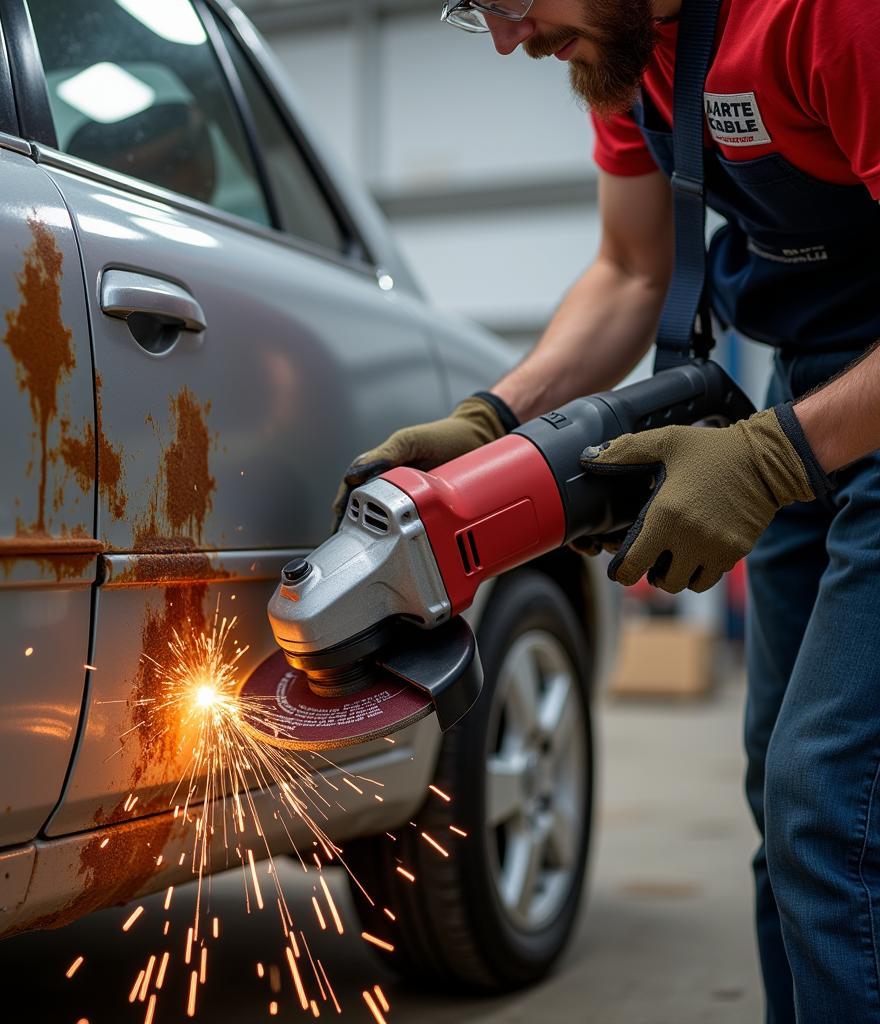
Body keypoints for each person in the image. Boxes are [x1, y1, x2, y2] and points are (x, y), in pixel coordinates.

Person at [335, 1, 880, 1020]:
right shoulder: (634, 53)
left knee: (826, 802)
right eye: (471, 10)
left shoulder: (822, 16)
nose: (505, 37)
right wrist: (493, 422)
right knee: (784, 793)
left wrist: (770, 457)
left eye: (508, 1)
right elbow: (633, 270)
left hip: (844, 412)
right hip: (813, 392)